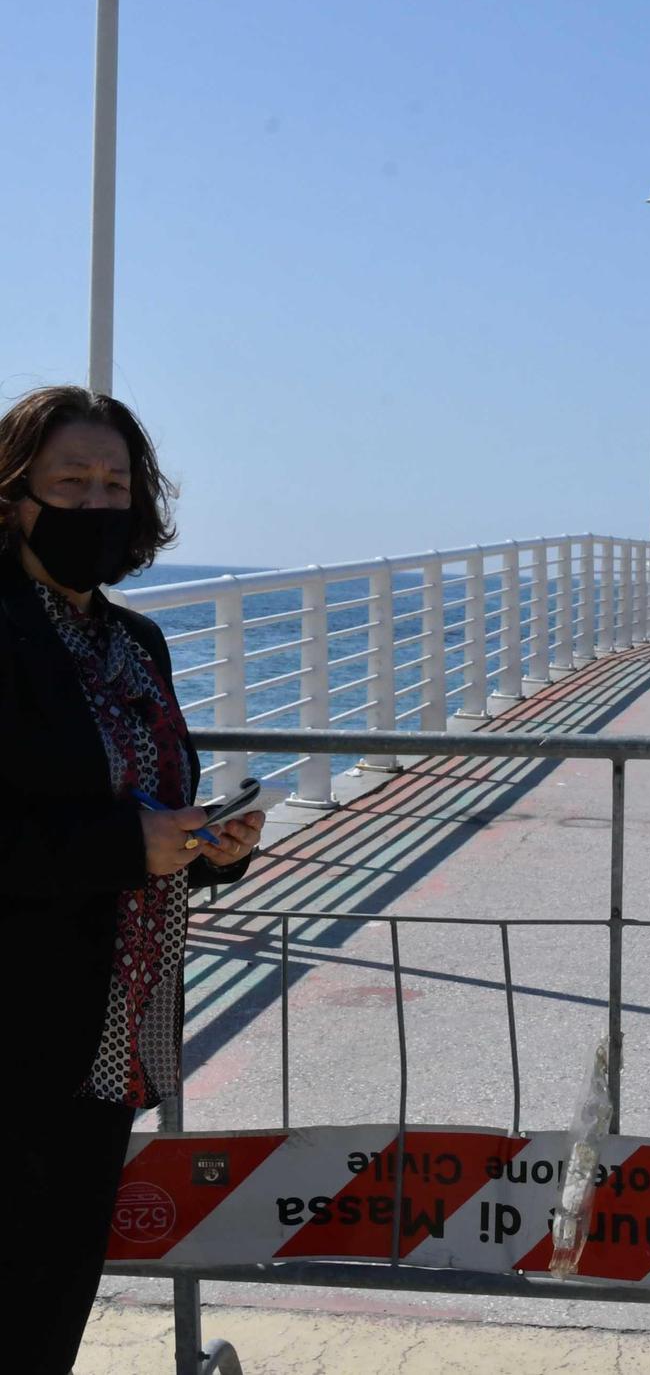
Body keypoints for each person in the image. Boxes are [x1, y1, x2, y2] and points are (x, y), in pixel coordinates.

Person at [0, 385, 264, 1374]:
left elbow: (154, 807)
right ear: (13, 495)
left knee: (51, 1295)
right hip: (18, 1032)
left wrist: (211, 849)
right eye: (72, 481)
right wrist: (123, 848)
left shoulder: (134, 641)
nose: (98, 503)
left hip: (111, 1035)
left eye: (117, 483)